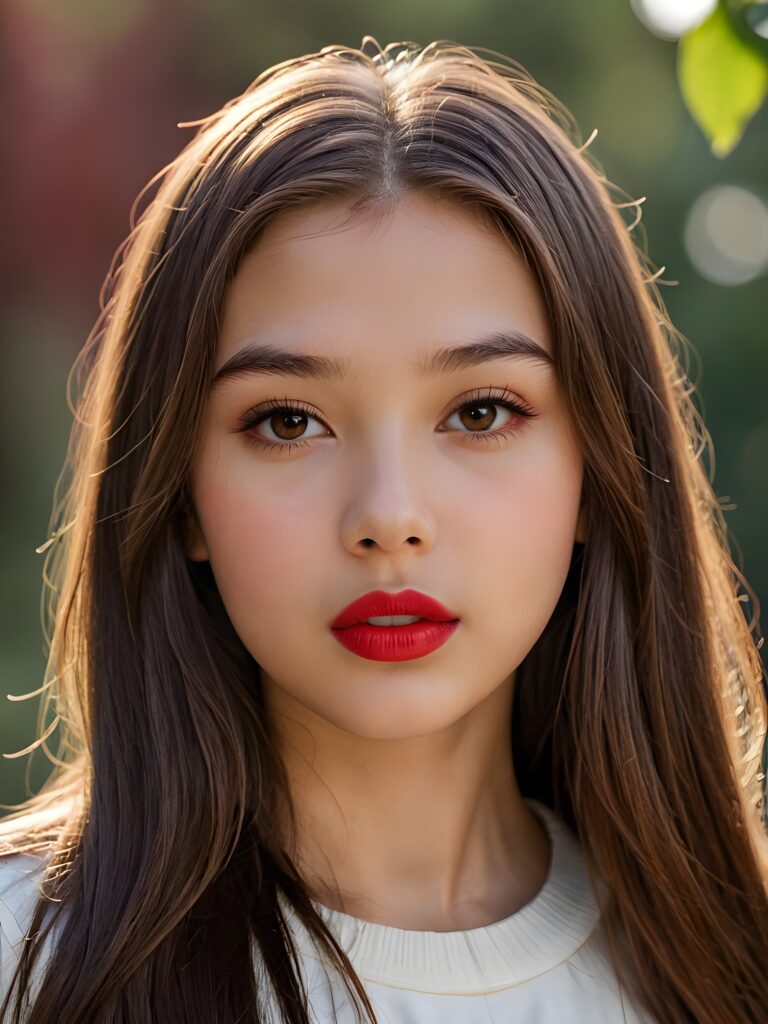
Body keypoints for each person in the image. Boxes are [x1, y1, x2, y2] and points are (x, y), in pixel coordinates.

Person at [1, 35, 766, 1024]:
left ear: (600, 466)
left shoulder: (729, 966)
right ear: (181, 493)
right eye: (287, 422)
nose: (389, 517)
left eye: (481, 412)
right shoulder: (29, 964)